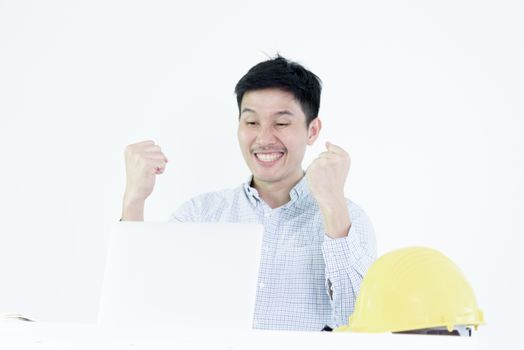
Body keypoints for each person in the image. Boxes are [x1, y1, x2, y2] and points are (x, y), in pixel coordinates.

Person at [121, 55, 377, 331]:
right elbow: (136, 305)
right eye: (252, 122)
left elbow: (361, 325)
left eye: (281, 123)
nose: (264, 138)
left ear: (312, 130)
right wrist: (134, 200)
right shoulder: (200, 214)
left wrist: (333, 207)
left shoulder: (348, 218)